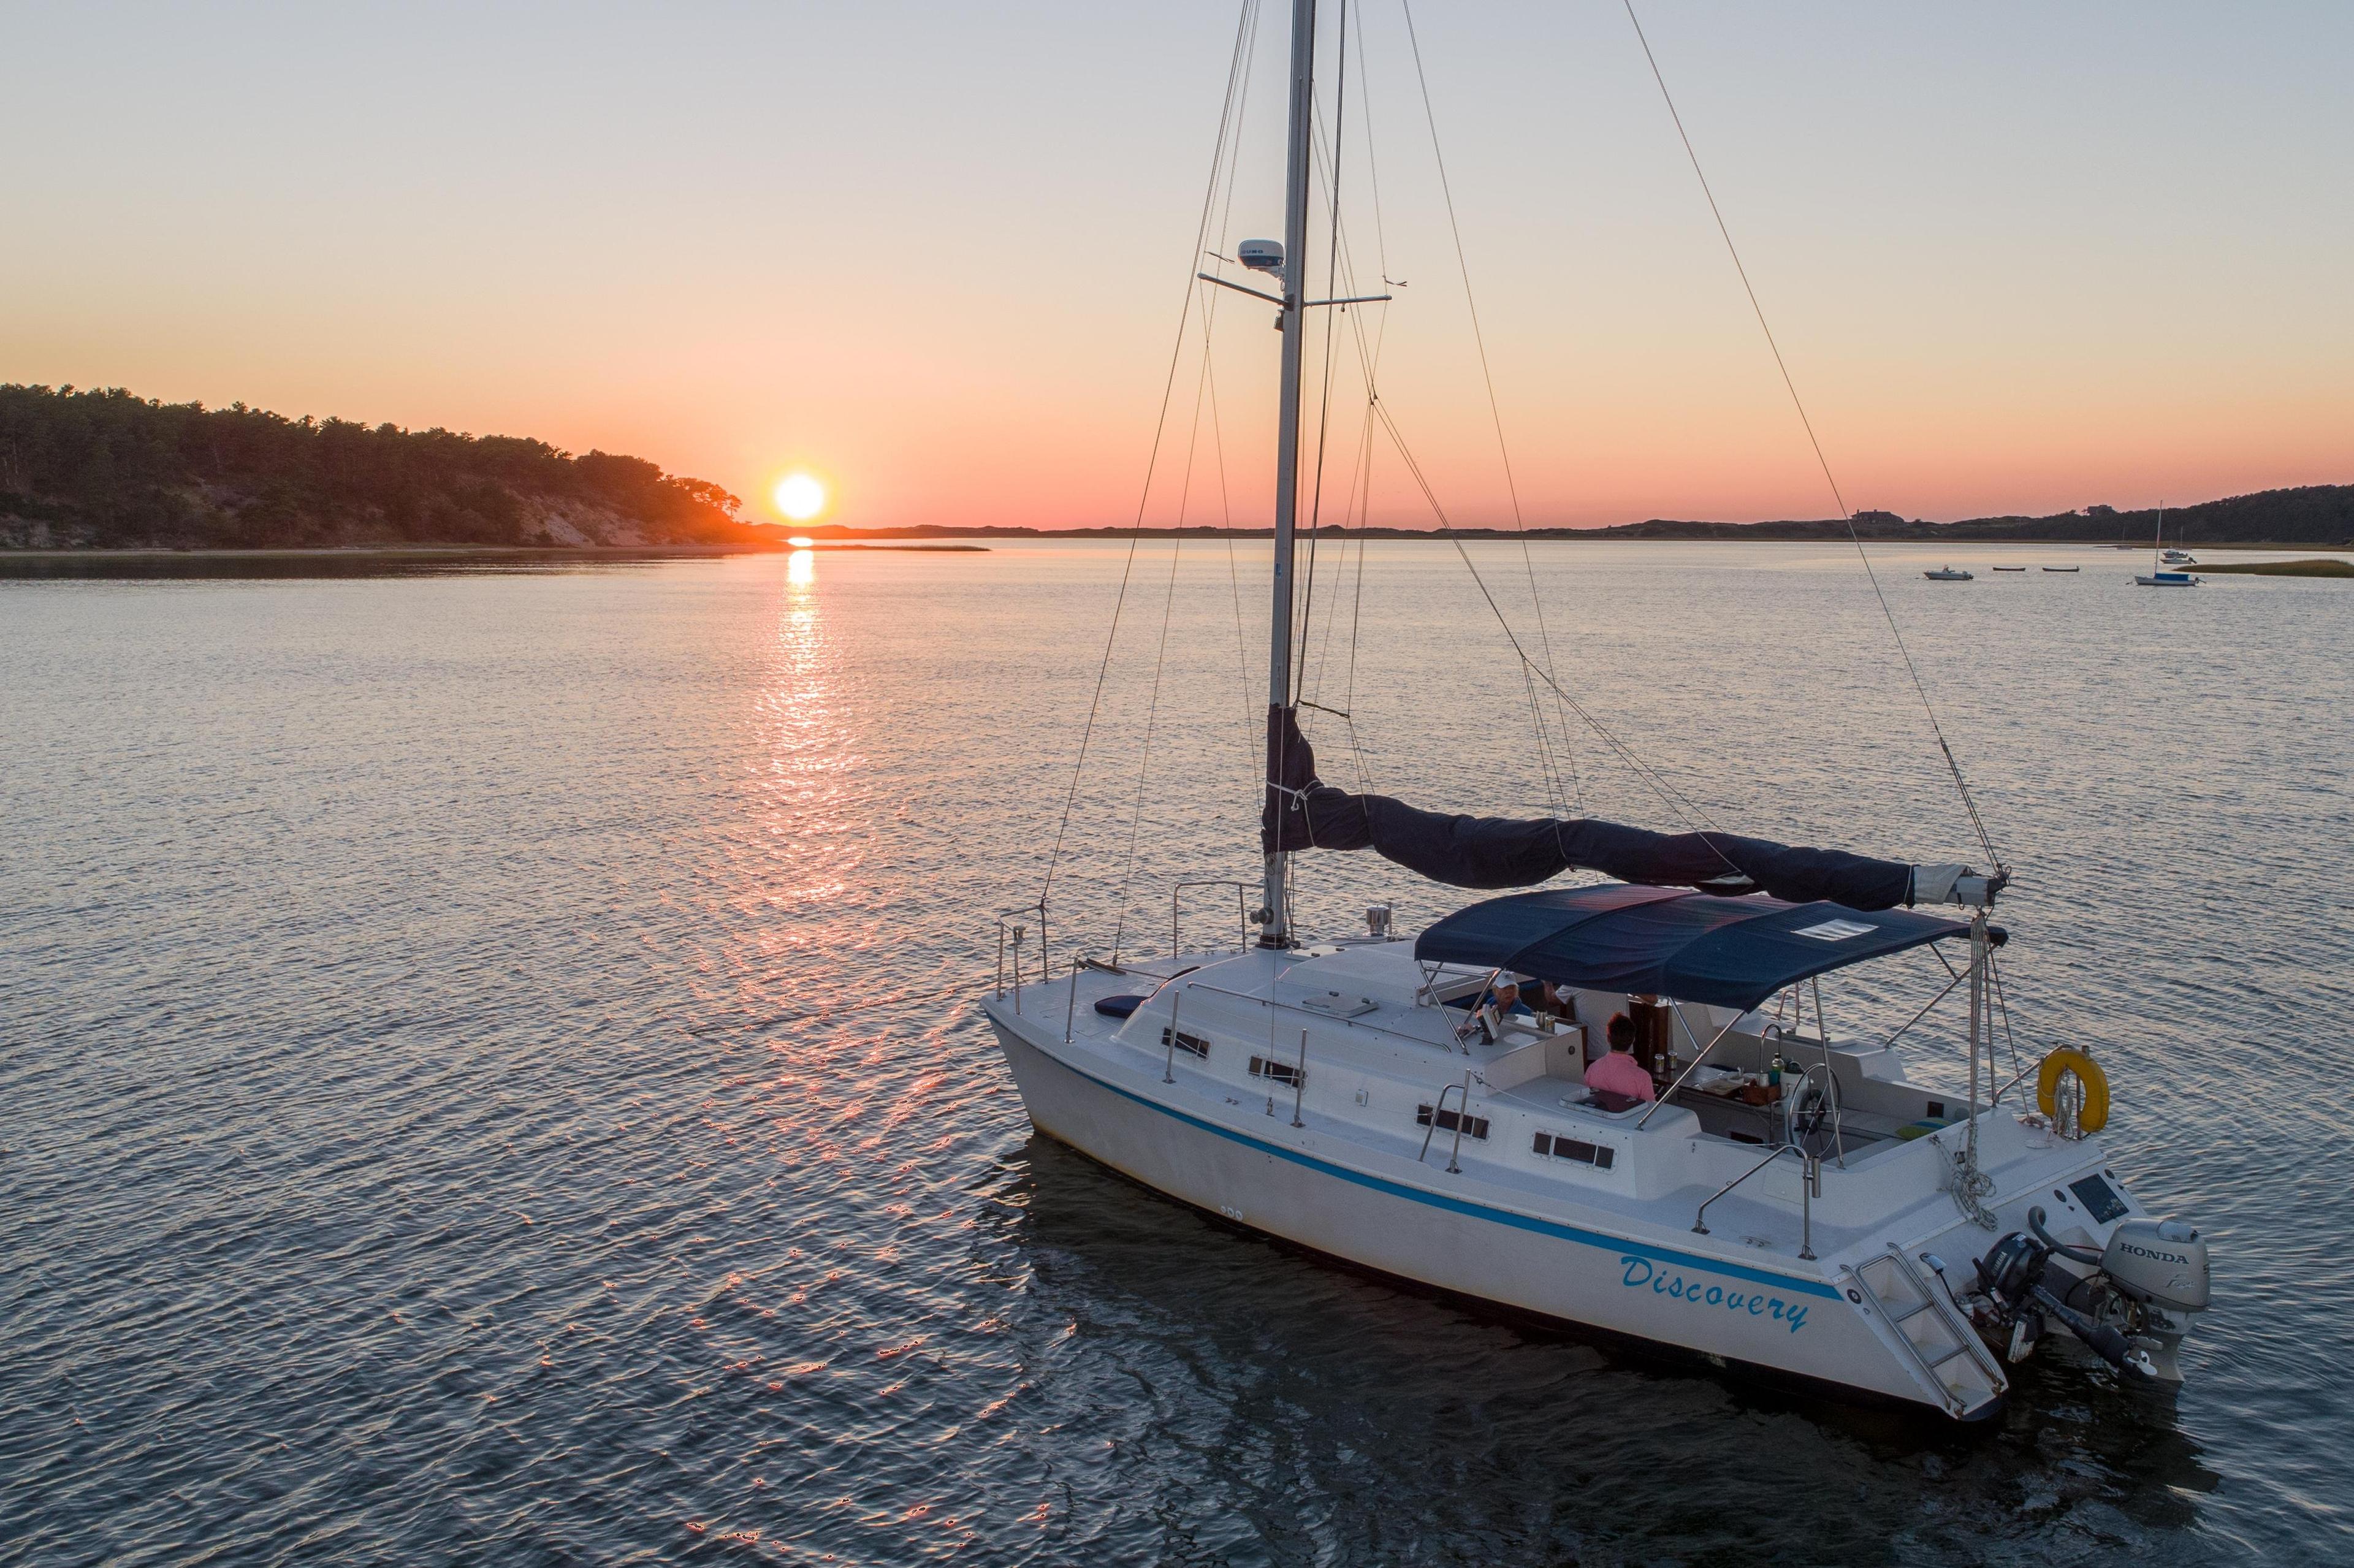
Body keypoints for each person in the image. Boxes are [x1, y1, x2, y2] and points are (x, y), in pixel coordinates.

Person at [1584, 1013, 1656, 1103]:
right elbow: (1650, 1110)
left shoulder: (1592, 1069)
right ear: (1633, 1040)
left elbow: (1585, 1098)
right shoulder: (1643, 1077)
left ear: (1608, 1039)